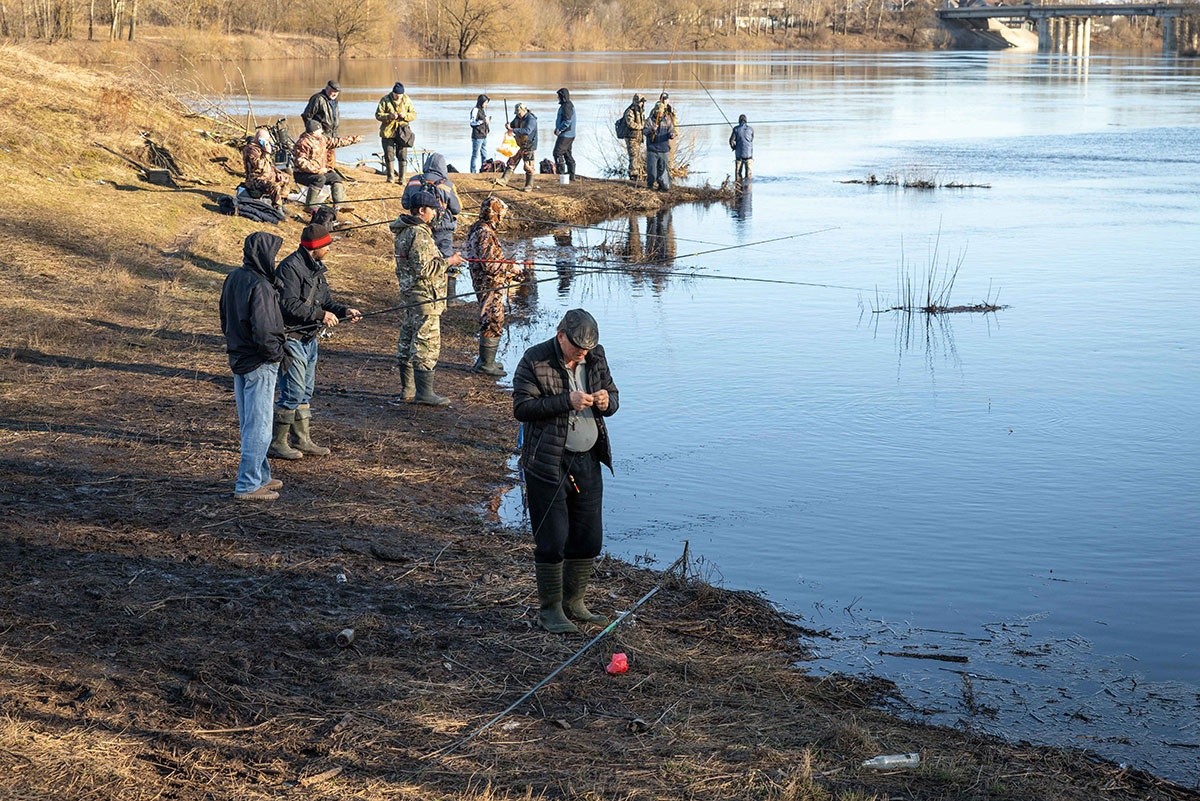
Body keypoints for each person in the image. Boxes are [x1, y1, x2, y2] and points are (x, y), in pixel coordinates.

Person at [513, 309, 619, 633]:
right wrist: (565, 401)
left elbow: (614, 399)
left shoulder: (596, 357)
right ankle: (550, 610)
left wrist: (605, 402)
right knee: (553, 538)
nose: (583, 353)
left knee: (589, 538)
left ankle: (575, 603)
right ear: (561, 336)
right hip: (547, 462)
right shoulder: (535, 359)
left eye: (587, 348)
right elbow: (522, 409)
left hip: (587, 459)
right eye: (577, 347)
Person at [268, 223, 361, 460]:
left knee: (306, 391)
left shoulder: (315, 267)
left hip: (310, 337)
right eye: (327, 245)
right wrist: (320, 316)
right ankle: (277, 443)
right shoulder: (290, 268)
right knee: (293, 391)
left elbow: (325, 302)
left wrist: (344, 311)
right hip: (292, 336)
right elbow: (287, 305)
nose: (329, 249)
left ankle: (302, 440)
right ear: (315, 248)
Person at [219, 232, 288, 502]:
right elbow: (264, 329)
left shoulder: (233, 278)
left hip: (239, 357)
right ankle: (248, 484)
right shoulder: (260, 285)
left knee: (251, 422)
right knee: (259, 426)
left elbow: (225, 318)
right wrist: (276, 354)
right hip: (259, 362)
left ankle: (261, 476)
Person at [390, 190, 466, 406]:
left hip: (411, 295)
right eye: (432, 210)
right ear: (422, 210)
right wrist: (449, 261)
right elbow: (425, 268)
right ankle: (424, 393)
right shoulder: (419, 233)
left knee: (407, 339)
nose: (434, 214)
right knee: (426, 343)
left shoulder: (404, 230)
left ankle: (408, 390)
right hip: (425, 297)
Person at [465, 195, 526, 376]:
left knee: (491, 318)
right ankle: (486, 364)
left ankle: (485, 360)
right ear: (495, 215)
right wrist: (511, 267)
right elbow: (489, 264)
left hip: (488, 282)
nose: (502, 218)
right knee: (492, 319)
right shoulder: (484, 232)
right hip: (488, 284)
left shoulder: (479, 228)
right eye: (501, 214)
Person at [401, 152, 463, 302]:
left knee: (423, 260)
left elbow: (405, 203)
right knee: (448, 259)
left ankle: (425, 293)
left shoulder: (413, 181)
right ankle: (451, 298)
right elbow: (457, 208)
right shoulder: (447, 185)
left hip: (419, 227)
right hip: (442, 229)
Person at [292, 124, 362, 213]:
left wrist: (354, 139)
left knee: (335, 177)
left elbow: (336, 142)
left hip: (318, 172)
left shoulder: (322, 139)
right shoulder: (303, 143)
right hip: (302, 174)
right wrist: (317, 170)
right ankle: (310, 205)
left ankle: (339, 204)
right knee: (319, 179)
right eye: (319, 130)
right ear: (313, 132)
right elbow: (301, 163)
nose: (322, 131)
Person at [375, 82, 417, 184]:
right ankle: (390, 178)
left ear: (403, 94)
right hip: (387, 132)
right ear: (393, 93)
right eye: (395, 95)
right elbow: (378, 115)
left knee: (402, 154)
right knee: (389, 154)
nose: (397, 97)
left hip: (402, 132)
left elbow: (414, 115)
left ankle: (402, 179)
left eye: (399, 95)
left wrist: (405, 116)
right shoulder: (385, 100)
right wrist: (389, 116)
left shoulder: (407, 100)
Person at [242, 127, 290, 210]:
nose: (267, 142)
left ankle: (281, 201)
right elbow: (259, 166)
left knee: (286, 178)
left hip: (266, 176)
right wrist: (267, 152)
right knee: (274, 186)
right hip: (255, 179)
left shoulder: (261, 149)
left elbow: (269, 165)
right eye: (266, 140)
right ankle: (277, 208)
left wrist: (278, 173)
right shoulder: (251, 150)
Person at [500, 103, 538, 192]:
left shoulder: (531, 119)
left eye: (519, 113)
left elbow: (527, 131)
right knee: (511, 161)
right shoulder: (517, 118)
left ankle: (529, 186)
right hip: (518, 144)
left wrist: (513, 130)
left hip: (529, 146)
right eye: (517, 113)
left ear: (524, 110)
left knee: (528, 166)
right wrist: (508, 126)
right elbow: (512, 125)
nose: (518, 115)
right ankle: (503, 180)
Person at [643, 105, 675, 192]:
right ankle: (650, 185)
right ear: (655, 110)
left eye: (660, 111)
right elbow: (644, 132)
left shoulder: (667, 120)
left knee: (662, 169)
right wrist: (652, 129)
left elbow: (672, 131)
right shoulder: (649, 120)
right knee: (652, 170)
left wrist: (672, 135)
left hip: (664, 149)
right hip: (652, 149)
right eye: (658, 111)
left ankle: (661, 186)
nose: (659, 113)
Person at [552, 87, 576, 181]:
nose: (558, 98)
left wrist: (559, 129)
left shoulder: (567, 106)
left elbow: (567, 121)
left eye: (559, 96)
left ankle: (561, 175)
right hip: (569, 134)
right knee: (567, 154)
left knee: (557, 153)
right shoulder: (567, 105)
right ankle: (571, 176)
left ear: (563, 96)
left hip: (566, 134)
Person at [621, 94, 646, 181]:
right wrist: (641, 126)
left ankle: (637, 174)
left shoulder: (641, 111)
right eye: (641, 102)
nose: (642, 103)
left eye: (643, 102)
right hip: (631, 138)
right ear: (636, 101)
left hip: (638, 137)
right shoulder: (630, 111)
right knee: (633, 156)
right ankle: (633, 175)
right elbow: (630, 123)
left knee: (637, 156)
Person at [729, 113, 754, 182]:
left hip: (739, 155)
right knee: (749, 174)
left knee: (738, 173)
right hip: (749, 155)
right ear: (746, 121)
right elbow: (751, 139)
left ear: (739, 121)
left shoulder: (736, 129)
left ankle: (738, 189)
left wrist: (734, 147)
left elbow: (731, 141)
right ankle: (748, 190)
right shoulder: (751, 129)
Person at [470, 94, 491, 173]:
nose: (486, 105)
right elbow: (472, 123)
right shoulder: (475, 110)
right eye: (485, 103)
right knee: (475, 155)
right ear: (481, 102)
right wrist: (482, 121)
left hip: (484, 135)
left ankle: (484, 170)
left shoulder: (482, 110)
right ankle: (473, 171)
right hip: (477, 136)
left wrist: (487, 122)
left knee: (484, 154)